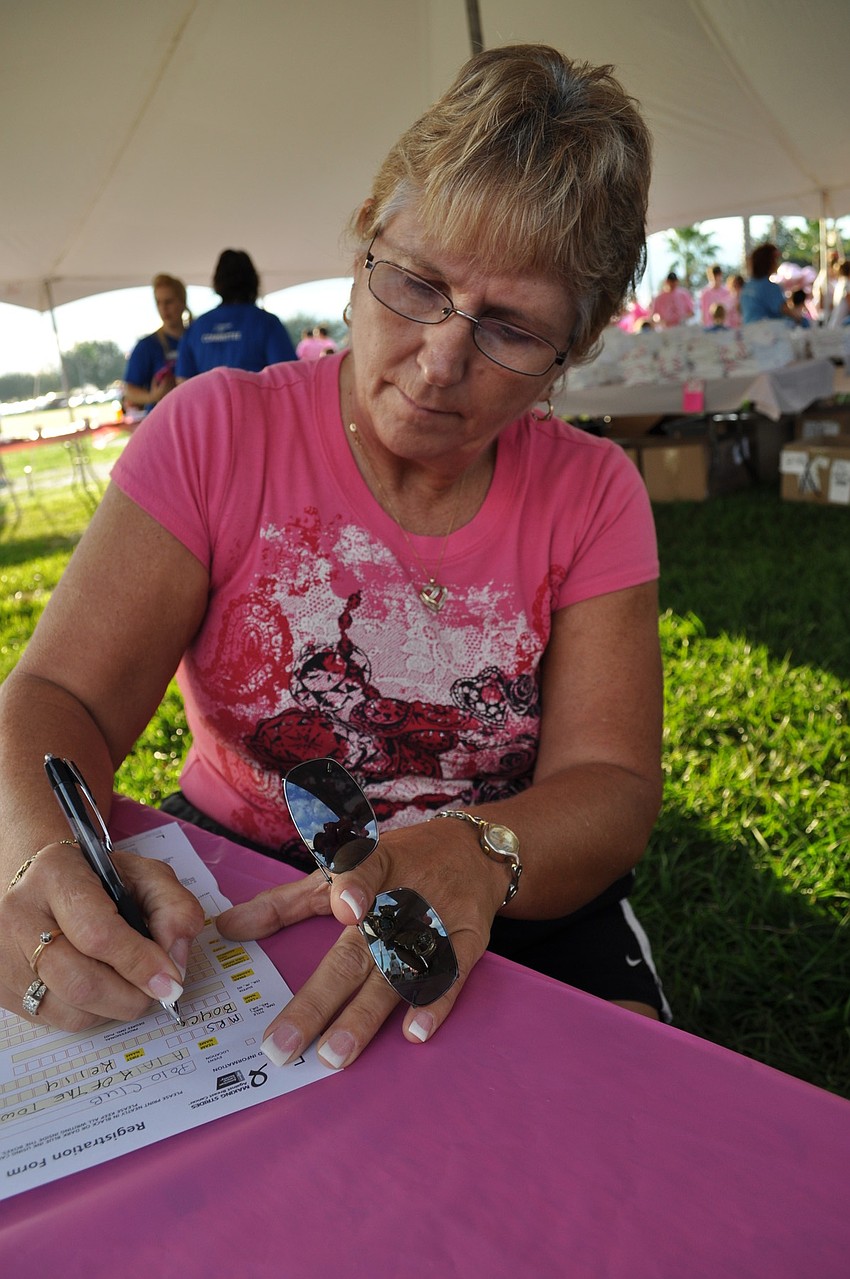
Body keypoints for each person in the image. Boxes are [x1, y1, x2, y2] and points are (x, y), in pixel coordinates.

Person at [0, 45, 669, 1072]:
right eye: (415, 283)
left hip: (506, 881)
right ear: (367, 231)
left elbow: (609, 782)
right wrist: (46, 857)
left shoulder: (591, 491)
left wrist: (481, 849)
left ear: (569, 354)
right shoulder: (216, 433)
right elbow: (61, 700)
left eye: (510, 330)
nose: (441, 362)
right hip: (245, 874)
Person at [176, 249, 296, 377]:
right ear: (253, 281)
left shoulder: (196, 328)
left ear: (217, 282)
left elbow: (183, 380)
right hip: (254, 396)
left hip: (206, 397)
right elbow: (287, 376)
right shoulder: (267, 323)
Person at [121, 274, 189, 418]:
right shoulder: (147, 346)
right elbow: (129, 390)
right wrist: (153, 396)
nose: (164, 308)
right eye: (158, 302)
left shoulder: (197, 339)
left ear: (182, 302)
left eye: (169, 302)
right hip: (162, 421)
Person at [739, 243, 792, 324]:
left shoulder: (748, 285)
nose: (777, 263)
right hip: (767, 333)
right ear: (768, 262)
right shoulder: (770, 287)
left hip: (749, 332)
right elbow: (785, 311)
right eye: (775, 260)